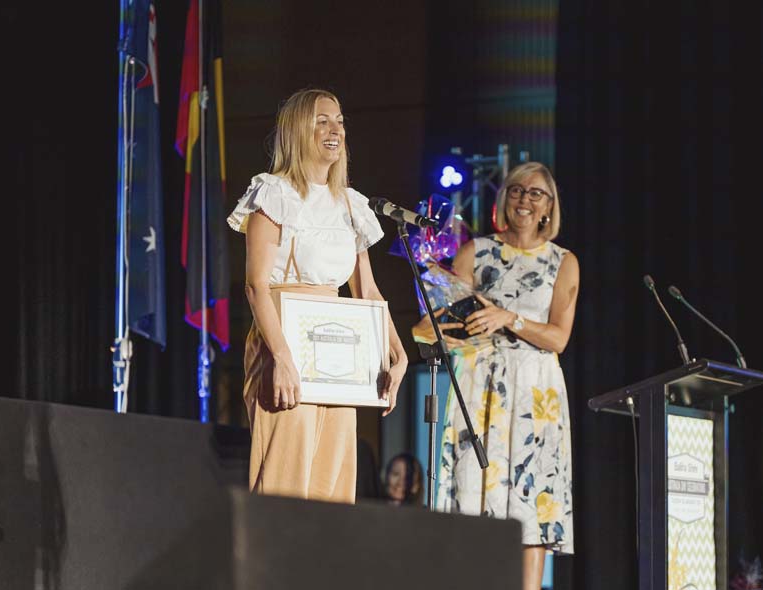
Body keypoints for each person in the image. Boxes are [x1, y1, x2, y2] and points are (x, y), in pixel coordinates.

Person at [227, 88, 408, 503]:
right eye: (321, 121)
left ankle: (321, 568)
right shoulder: (272, 193)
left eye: (340, 121)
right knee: (285, 480)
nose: (335, 130)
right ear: (296, 130)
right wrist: (283, 359)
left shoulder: (350, 204)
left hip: (340, 355)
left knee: (332, 482)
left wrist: (396, 355)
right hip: (284, 343)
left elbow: (368, 292)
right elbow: (256, 285)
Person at [412, 162, 580, 589]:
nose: (525, 199)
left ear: (549, 207)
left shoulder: (563, 262)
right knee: (474, 488)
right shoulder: (476, 250)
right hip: (480, 384)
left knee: (531, 498)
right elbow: (450, 316)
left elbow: (559, 337)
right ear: (505, 198)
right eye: (517, 190)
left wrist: (509, 318)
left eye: (535, 193)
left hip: (534, 392)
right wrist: (431, 319)